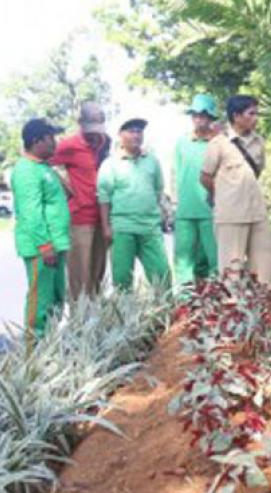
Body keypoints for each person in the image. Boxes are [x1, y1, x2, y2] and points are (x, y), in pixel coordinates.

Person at [201, 95, 271, 287]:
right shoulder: (218, 144)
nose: (256, 118)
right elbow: (205, 177)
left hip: (257, 212)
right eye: (251, 114)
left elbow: (256, 173)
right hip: (231, 215)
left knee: (266, 268)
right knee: (231, 271)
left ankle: (266, 308)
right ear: (236, 116)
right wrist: (225, 196)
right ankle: (232, 312)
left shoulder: (258, 142)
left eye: (256, 113)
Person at [12, 119, 70, 348]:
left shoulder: (43, 167)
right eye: (51, 138)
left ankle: (50, 347)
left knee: (56, 298)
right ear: (37, 141)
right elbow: (30, 213)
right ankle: (33, 353)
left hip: (56, 243)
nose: (55, 143)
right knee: (41, 301)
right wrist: (44, 245)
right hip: (42, 248)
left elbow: (66, 195)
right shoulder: (26, 170)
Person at [98, 118, 171, 290]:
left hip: (149, 228)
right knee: (122, 280)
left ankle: (164, 314)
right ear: (120, 135)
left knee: (162, 275)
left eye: (139, 131)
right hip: (122, 228)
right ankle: (126, 315)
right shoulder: (110, 164)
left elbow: (158, 190)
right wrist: (106, 227)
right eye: (131, 131)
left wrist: (161, 215)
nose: (136, 135)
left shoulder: (152, 161)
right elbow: (104, 197)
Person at [50, 102, 111, 300]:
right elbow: (44, 163)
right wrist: (67, 189)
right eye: (90, 129)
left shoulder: (105, 143)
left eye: (98, 128)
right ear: (80, 123)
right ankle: (79, 325)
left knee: (97, 276)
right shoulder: (68, 145)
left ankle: (96, 324)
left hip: (102, 219)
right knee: (80, 278)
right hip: (79, 219)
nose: (94, 135)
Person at [173, 94, 218, 286]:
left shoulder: (219, 142)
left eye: (203, 114)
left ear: (210, 118)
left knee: (215, 259)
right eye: (195, 114)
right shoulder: (182, 142)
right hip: (185, 211)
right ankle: (184, 304)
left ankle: (219, 302)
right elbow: (175, 173)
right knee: (183, 262)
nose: (199, 118)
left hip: (211, 211)